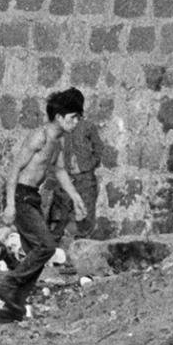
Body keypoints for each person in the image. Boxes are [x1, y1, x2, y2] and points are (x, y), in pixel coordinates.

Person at [0, 89, 86, 323]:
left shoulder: (58, 142)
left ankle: (13, 308)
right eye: (73, 117)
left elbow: (59, 171)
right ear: (59, 117)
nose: (76, 122)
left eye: (78, 118)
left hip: (32, 197)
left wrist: (76, 197)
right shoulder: (39, 137)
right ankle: (8, 285)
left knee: (34, 256)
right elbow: (14, 170)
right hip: (20, 196)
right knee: (46, 247)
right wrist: (10, 205)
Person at [44, 87, 103, 245]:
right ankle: (55, 247)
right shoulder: (62, 127)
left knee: (86, 213)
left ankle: (82, 245)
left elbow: (99, 148)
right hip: (66, 177)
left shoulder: (87, 126)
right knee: (60, 213)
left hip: (85, 178)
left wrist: (89, 165)